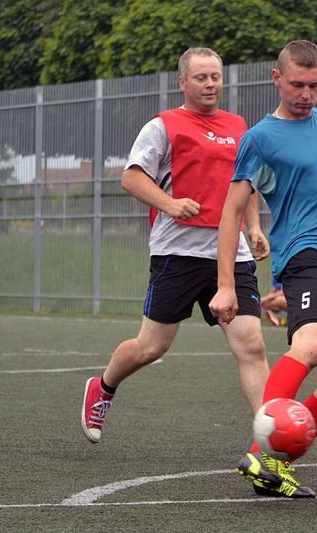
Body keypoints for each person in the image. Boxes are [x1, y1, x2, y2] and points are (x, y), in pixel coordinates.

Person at [209, 40, 317, 498]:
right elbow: (230, 212)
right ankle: (259, 451)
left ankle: (272, 462)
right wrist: (226, 285)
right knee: (312, 345)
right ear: (277, 79)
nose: (306, 94)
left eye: (314, 85)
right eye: (297, 85)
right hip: (303, 252)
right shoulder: (260, 138)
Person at [80, 47, 271, 447]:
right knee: (151, 347)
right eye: (201, 77)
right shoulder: (164, 125)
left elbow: (245, 185)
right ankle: (103, 387)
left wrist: (253, 227)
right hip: (178, 253)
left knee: (251, 344)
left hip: (229, 255)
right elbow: (131, 179)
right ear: (182, 82)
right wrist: (169, 204)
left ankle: (270, 442)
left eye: (215, 76)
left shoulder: (240, 126)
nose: (210, 84)